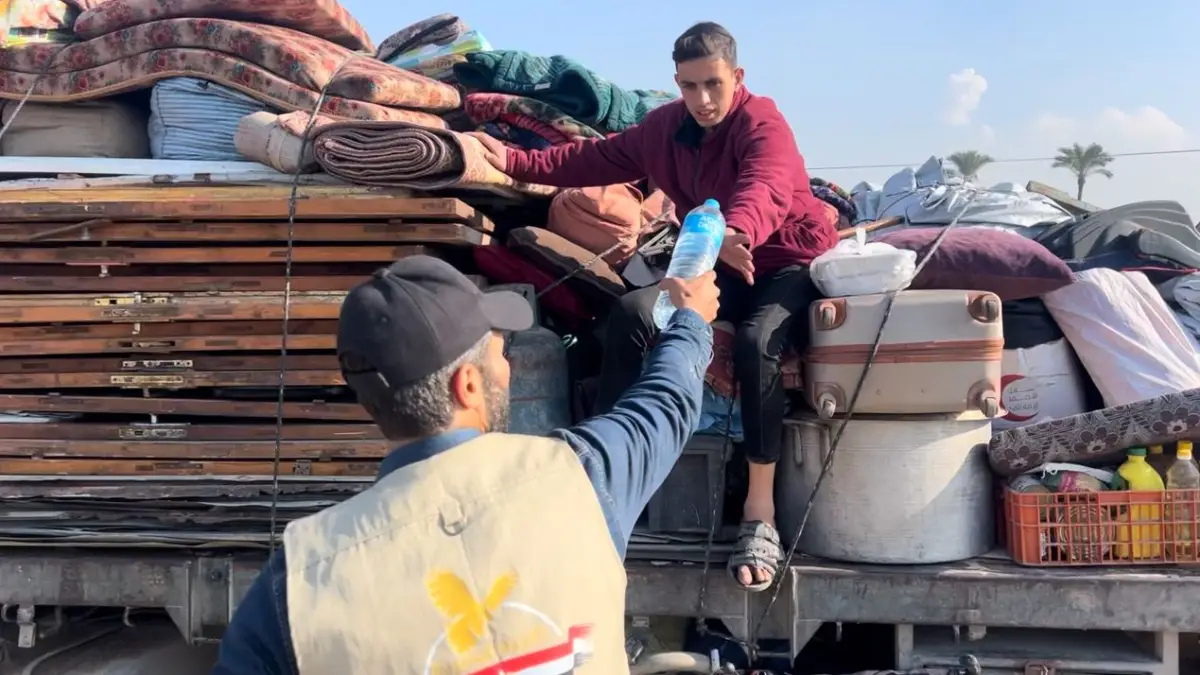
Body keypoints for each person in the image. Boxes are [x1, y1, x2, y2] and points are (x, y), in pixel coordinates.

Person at [211, 255, 720, 674]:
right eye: (500, 352)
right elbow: (665, 402)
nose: (510, 365)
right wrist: (691, 320)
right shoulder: (580, 478)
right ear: (469, 386)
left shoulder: (298, 579)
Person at [471, 22, 837, 592]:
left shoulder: (764, 123)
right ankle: (607, 477)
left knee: (756, 339)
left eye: (713, 84)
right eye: (689, 87)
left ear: (737, 77)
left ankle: (759, 511)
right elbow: (594, 158)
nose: (703, 100)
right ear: (676, 84)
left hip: (781, 258)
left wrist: (733, 230)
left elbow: (764, 187)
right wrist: (514, 162)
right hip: (721, 255)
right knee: (636, 313)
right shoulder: (665, 127)